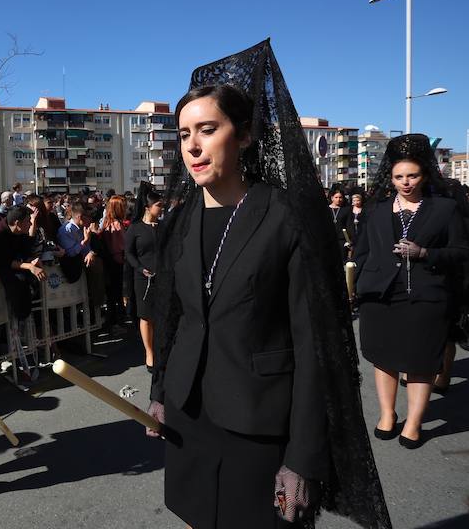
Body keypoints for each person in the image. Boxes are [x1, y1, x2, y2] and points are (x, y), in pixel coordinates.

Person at [148, 41, 390, 529]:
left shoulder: (286, 216)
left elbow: (314, 344)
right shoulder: (183, 218)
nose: (192, 146)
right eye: (183, 134)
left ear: (244, 135)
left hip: (260, 423)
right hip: (189, 412)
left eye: (207, 130)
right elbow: (174, 317)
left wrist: (302, 456)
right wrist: (160, 389)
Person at [354, 133, 469, 449]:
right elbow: (361, 253)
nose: (406, 182)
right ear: (390, 177)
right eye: (399, 176)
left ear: (425, 175)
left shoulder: (444, 209)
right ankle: (388, 415)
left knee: (421, 362)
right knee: (383, 358)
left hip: (426, 296)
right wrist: (357, 287)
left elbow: (461, 251)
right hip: (380, 297)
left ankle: (415, 424)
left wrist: (425, 253)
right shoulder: (376, 209)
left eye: (413, 175)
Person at [124, 182, 162, 370]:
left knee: (161, 315)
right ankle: (149, 352)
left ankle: (162, 349)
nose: (161, 209)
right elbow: (129, 254)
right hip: (143, 279)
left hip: (163, 277)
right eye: (158, 206)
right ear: (148, 207)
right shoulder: (135, 228)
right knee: (146, 316)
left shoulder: (163, 226)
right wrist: (140, 268)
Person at [100, 195, 128, 328]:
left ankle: (113, 320)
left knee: (112, 295)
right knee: (117, 294)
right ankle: (118, 320)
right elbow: (121, 246)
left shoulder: (106, 223)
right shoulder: (117, 225)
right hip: (117, 263)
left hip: (110, 263)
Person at [327, 187, 351, 259]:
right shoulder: (326, 209)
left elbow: (349, 225)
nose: (338, 199)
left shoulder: (346, 209)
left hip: (342, 239)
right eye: (336, 197)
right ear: (332, 198)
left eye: (340, 197)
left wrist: (348, 240)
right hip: (329, 238)